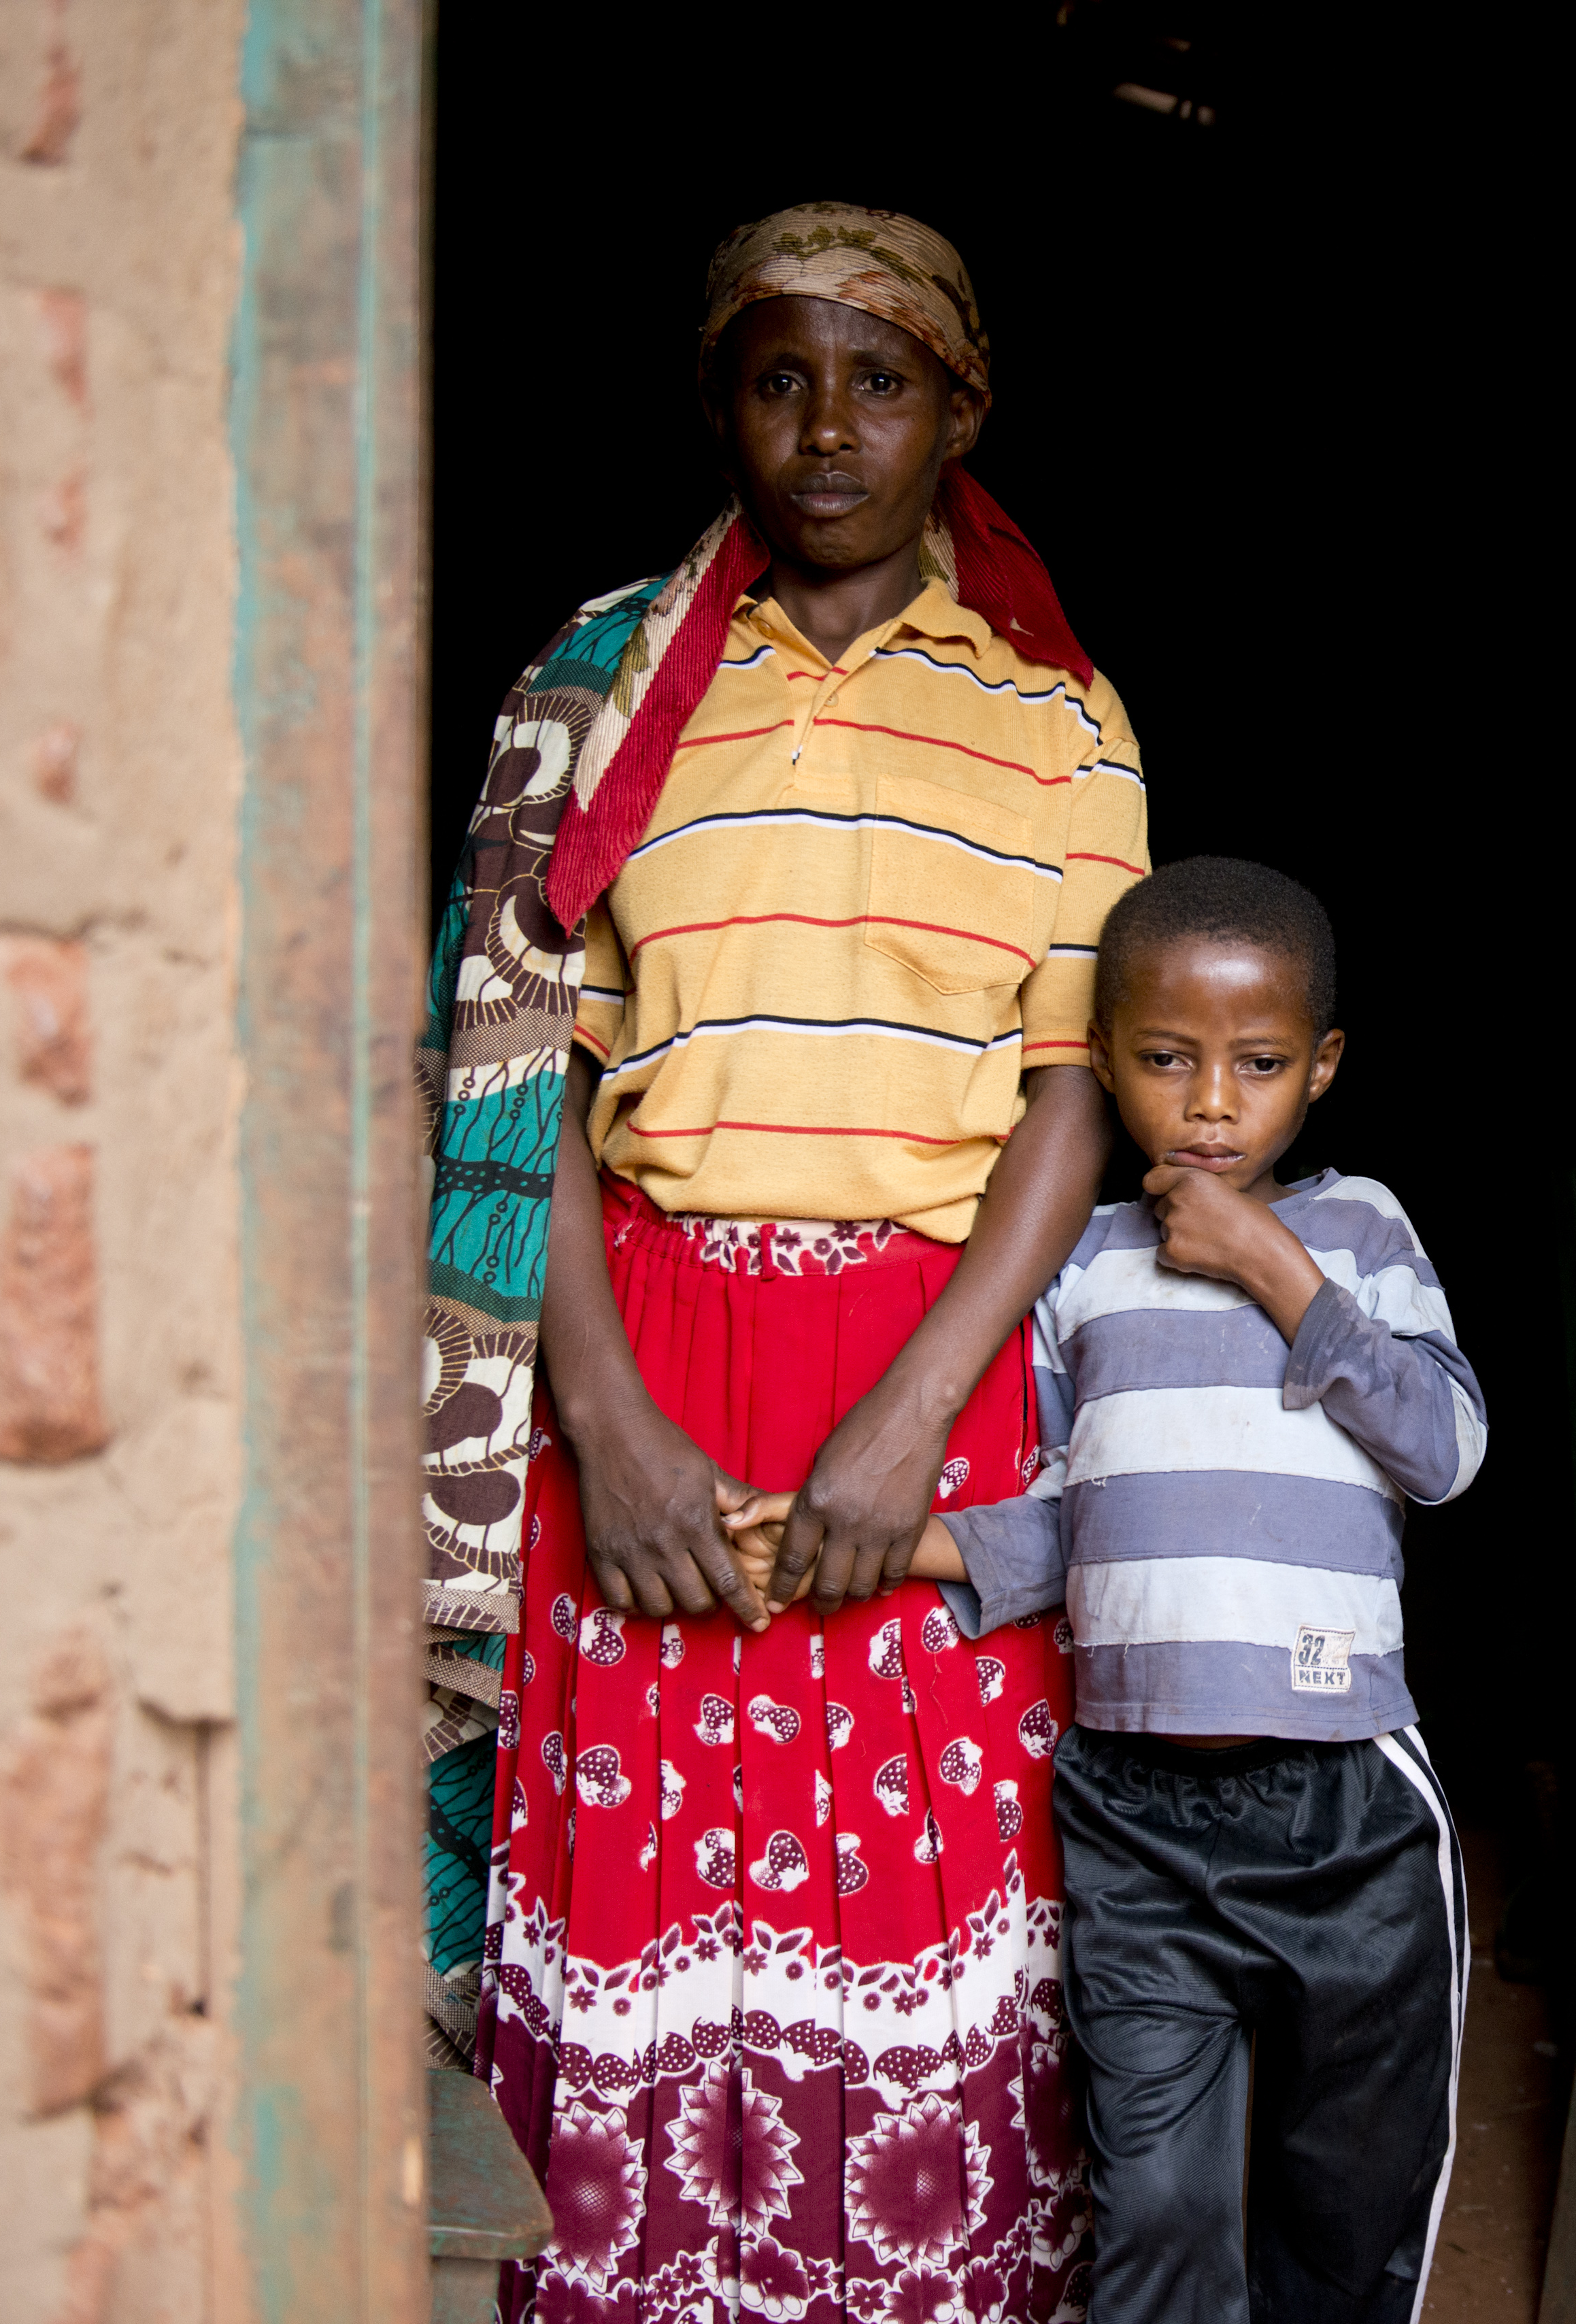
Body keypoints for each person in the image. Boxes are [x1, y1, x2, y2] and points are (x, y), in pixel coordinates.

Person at [415, 203, 1141, 2324]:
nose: (830, 429)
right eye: (780, 376)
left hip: (926, 1377)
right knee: (648, 1920)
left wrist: (908, 1423)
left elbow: (1071, 1093)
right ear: (723, 403)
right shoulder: (607, 686)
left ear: (963, 410)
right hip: (641, 1365)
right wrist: (607, 1428)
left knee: (919, 1918)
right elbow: (514, 1072)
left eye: (883, 379)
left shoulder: (1059, 725)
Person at [876, 856, 1484, 2324]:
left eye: (1260, 1064)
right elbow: (1064, 1524)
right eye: (1166, 1059)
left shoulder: (1362, 1230)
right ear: (1104, 1060)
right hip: (1134, 1819)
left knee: (1346, 2206)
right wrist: (894, 1540)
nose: (1213, 1101)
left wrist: (1280, 1270)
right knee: (1153, 2207)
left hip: (1347, 1806)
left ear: (1321, 1066)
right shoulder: (1077, 1269)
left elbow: (1446, 1448)